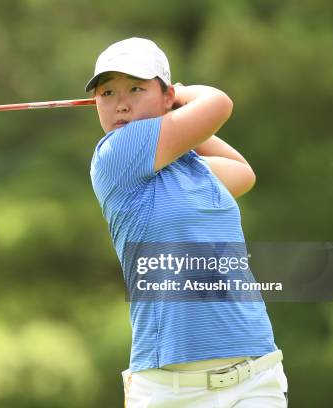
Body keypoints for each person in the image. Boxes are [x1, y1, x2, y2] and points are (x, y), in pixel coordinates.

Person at [87, 37, 288, 407]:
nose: (122, 104)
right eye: (107, 93)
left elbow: (243, 173)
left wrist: (176, 113)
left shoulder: (192, 171)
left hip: (255, 373)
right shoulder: (115, 154)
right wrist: (175, 104)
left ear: (166, 96)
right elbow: (218, 103)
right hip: (171, 390)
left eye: (135, 88)